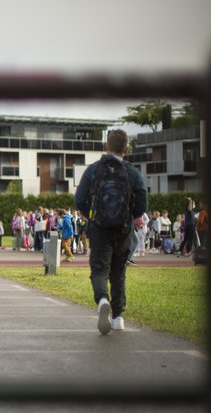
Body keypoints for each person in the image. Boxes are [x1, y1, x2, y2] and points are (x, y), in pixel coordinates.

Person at [75, 129, 147, 335]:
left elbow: (79, 199)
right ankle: (118, 317)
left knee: (99, 269)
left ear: (107, 146)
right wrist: (128, 216)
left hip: (99, 229)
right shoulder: (132, 173)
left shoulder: (93, 170)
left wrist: (93, 216)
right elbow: (141, 204)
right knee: (118, 272)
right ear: (126, 148)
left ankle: (102, 299)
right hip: (123, 230)